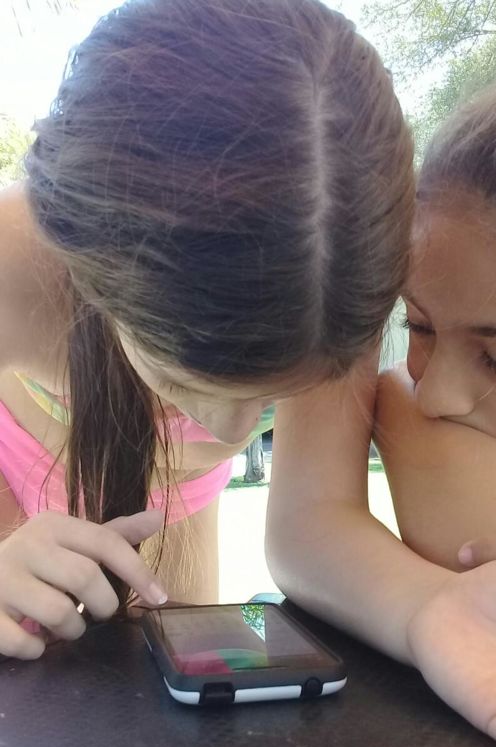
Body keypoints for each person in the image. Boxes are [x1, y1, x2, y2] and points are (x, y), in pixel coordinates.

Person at [0, 0, 414, 659]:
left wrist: (439, 615)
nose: (233, 432)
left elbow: (315, 519)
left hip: (176, 506)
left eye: (273, 396)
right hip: (15, 467)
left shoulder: (332, 260)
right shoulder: (11, 259)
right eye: (178, 377)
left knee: (186, 674)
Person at [266, 67, 496, 747]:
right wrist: (429, 610)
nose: (435, 391)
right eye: (417, 326)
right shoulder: (418, 415)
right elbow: (303, 530)